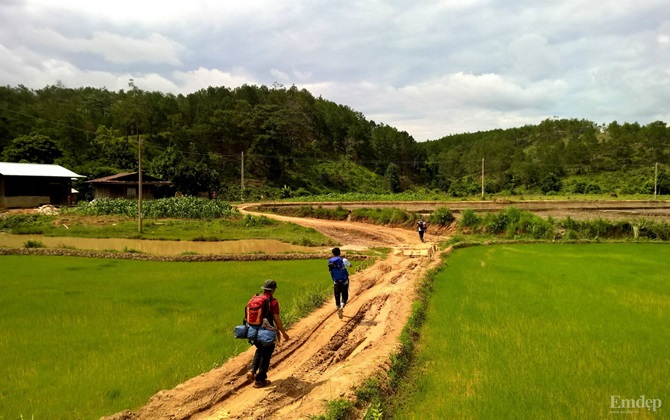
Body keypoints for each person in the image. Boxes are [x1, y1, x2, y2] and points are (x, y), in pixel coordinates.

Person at [246, 279, 289, 388]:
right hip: (267, 333)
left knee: (259, 349)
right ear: (273, 290)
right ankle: (260, 380)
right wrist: (284, 333)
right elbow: (277, 319)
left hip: (254, 330)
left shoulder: (256, 298)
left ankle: (252, 370)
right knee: (266, 354)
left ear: (264, 289)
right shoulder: (273, 302)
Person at [328, 247, 351, 319]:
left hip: (336, 282)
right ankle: (342, 306)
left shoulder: (331, 262)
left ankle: (338, 309)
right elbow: (350, 265)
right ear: (340, 252)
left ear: (333, 253)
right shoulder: (343, 260)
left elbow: (330, 271)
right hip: (344, 281)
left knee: (337, 296)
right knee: (345, 296)